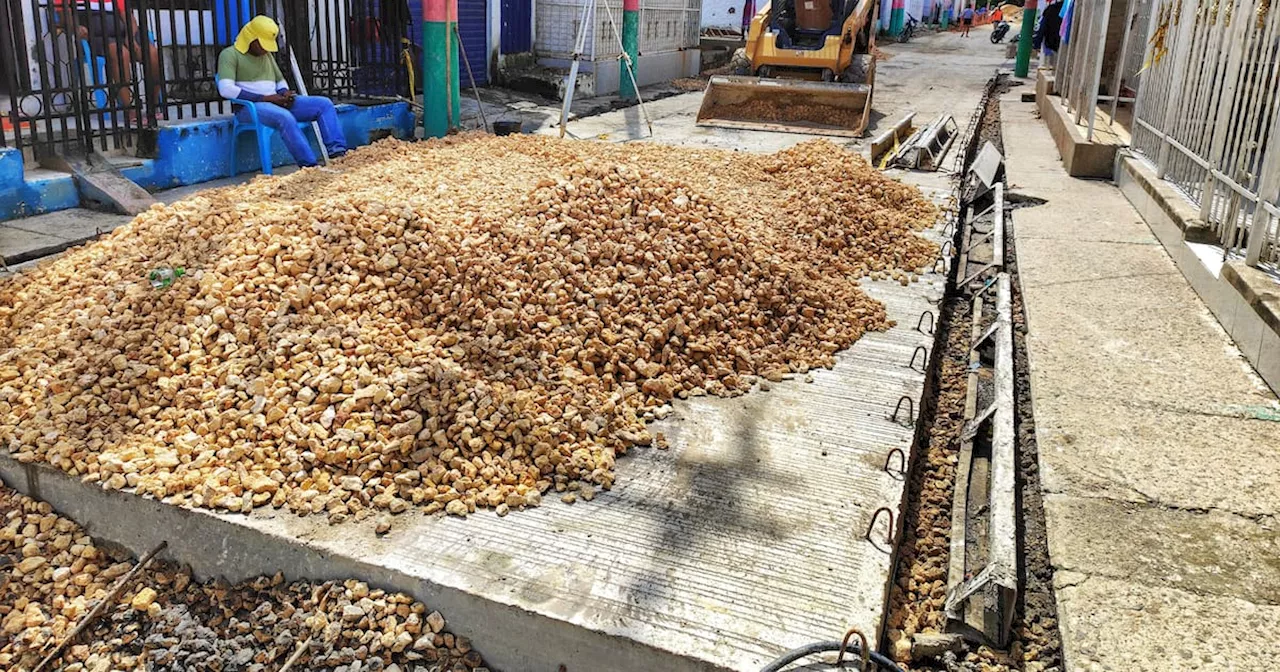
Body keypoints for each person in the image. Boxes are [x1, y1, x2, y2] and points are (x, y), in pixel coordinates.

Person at [216, 16, 347, 168]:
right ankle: (309, 166)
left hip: (275, 101)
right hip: (249, 108)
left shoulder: (267, 56)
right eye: (262, 44)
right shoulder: (229, 55)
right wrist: (265, 98)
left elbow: (280, 80)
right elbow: (226, 89)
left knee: (324, 104)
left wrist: (284, 93)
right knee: (285, 117)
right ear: (250, 38)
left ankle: (338, 155)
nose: (265, 49)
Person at [54, 0, 163, 121]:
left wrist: (130, 38)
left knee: (153, 54)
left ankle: (153, 105)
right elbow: (63, 16)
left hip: (124, 34)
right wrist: (76, 27)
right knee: (121, 54)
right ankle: (130, 109)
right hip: (96, 37)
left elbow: (128, 18)